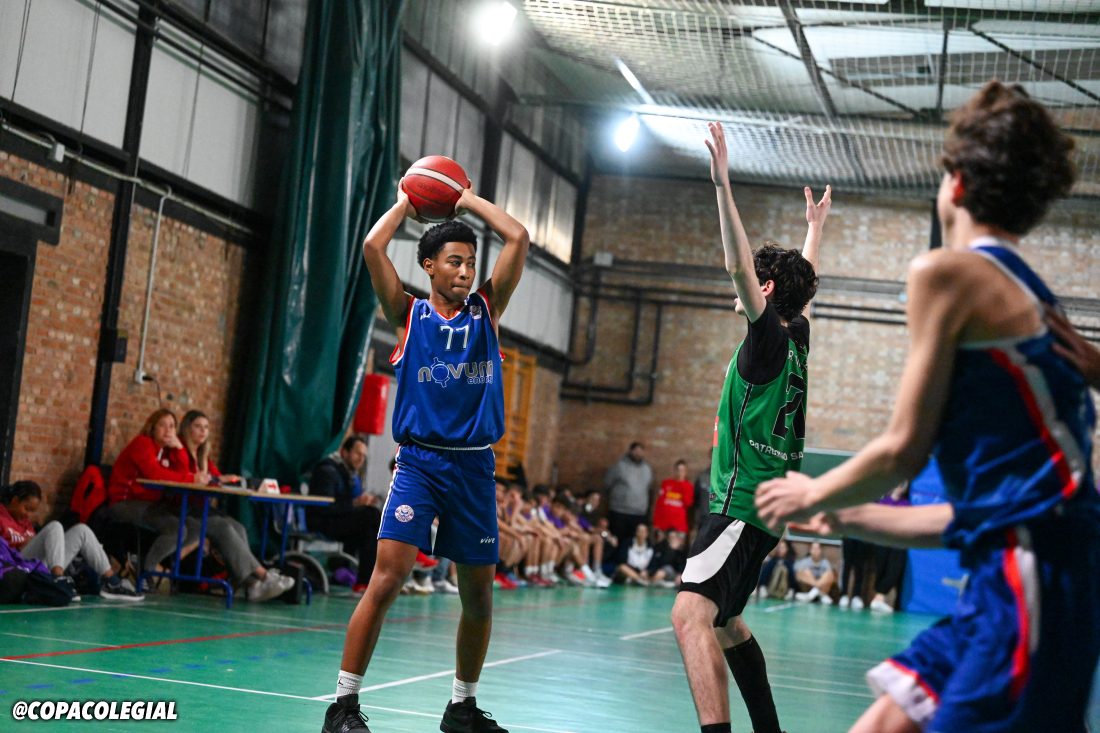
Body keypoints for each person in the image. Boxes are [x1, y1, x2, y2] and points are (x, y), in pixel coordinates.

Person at [755, 82, 1096, 733]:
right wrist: (850, 513)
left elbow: (902, 450)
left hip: (1031, 586)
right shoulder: (1033, 294)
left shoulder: (947, 274)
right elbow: (983, 516)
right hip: (1019, 577)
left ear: (956, 184)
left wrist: (813, 489)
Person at [322, 178, 529, 733]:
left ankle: (462, 708)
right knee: (386, 580)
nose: (465, 272)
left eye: (471, 263)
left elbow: (518, 237)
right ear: (429, 266)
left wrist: (465, 201)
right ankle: (342, 707)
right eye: (454, 262)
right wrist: (405, 202)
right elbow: (372, 246)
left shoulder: (487, 310)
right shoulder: (408, 314)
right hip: (419, 465)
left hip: (475, 466)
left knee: (478, 597)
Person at [671, 119, 829, 733]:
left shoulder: (767, 341)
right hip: (765, 512)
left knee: (690, 616)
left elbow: (739, 266)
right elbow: (798, 293)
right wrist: (814, 231)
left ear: (763, 290)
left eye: (751, 283)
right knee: (726, 622)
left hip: (739, 506)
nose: (735, 283)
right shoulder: (797, 337)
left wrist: (723, 186)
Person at [108, 408, 292, 602]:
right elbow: (161, 475)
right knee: (209, 527)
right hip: (132, 502)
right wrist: (183, 455)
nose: (168, 430)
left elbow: (207, 477)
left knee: (229, 527)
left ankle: (250, 583)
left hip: (168, 504)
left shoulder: (188, 452)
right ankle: (261, 576)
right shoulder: (147, 444)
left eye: (171, 426)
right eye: (162, 425)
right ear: (152, 427)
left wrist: (220, 479)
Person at [0, 481, 142, 601]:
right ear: (15, 500)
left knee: (82, 530)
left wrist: (29, 541)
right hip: (15, 566)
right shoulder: (1, 517)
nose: (28, 515)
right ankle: (58, 582)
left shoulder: (24, 521)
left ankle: (113, 583)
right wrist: (15, 547)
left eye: (31, 511)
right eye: (26, 508)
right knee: (54, 526)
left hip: (35, 567)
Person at [307, 435, 383, 595]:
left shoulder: (350, 476)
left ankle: (364, 582)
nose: (361, 459)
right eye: (357, 454)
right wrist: (354, 504)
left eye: (363, 456)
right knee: (371, 516)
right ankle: (364, 581)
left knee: (373, 525)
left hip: (338, 522)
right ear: (344, 453)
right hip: (322, 523)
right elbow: (322, 509)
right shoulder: (327, 472)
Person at [603, 442, 653, 561]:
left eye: (640, 450)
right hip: (619, 511)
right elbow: (607, 484)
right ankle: (612, 565)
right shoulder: (619, 466)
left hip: (639, 513)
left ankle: (628, 565)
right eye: (635, 450)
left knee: (632, 543)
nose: (638, 453)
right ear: (630, 451)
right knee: (616, 541)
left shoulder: (647, 469)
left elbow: (649, 489)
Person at [868, 485, 910, 614]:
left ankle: (879, 598)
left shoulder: (906, 504)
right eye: (897, 484)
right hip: (883, 542)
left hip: (898, 544)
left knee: (894, 569)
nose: (899, 487)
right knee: (881, 570)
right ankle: (878, 598)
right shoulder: (883, 503)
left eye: (902, 485)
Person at [653, 460, 695, 534]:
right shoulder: (666, 483)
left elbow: (688, 503)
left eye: (682, 470)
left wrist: (682, 483)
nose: (680, 473)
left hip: (679, 526)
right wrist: (657, 524)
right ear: (675, 471)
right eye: (678, 470)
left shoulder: (688, 486)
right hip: (664, 524)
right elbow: (659, 504)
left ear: (686, 472)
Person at [838, 536, 870, 610]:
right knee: (847, 565)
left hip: (862, 537)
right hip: (849, 535)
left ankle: (856, 596)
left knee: (860, 567)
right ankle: (844, 594)